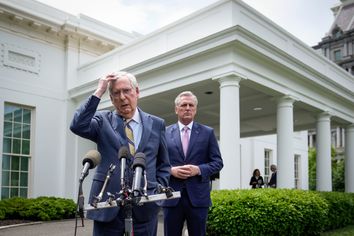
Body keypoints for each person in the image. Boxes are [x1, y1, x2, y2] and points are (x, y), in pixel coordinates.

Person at [70, 71, 171, 236]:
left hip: (145, 207)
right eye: (116, 93)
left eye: (126, 91)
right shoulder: (103, 120)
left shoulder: (157, 124)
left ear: (137, 91)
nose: (122, 97)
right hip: (108, 207)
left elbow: (164, 164)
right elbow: (77, 125)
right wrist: (99, 92)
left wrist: (156, 193)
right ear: (111, 98)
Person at [162, 91, 224, 236]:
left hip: (198, 199)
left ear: (195, 109)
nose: (188, 108)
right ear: (176, 109)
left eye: (191, 105)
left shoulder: (207, 133)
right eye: (184, 105)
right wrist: (170, 170)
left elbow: (218, 162)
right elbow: (157, 163)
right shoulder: (163, 133)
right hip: (172, 197)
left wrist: (199, 169)